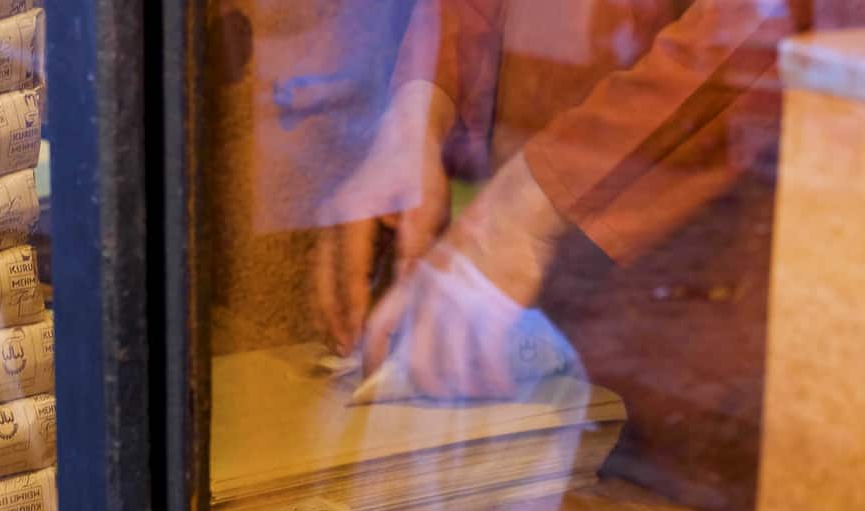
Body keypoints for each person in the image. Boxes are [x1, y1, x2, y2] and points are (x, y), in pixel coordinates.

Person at [313, 0, 853, 399]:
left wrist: (530, 202)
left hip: (699, 284)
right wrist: (419, 108)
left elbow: (763, 16)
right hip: (518, 262)